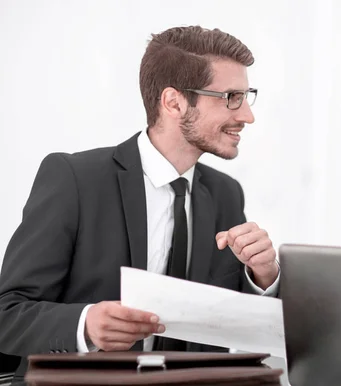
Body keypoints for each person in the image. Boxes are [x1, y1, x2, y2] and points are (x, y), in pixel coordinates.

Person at [0, 25, 280, 378]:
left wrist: (263, 275)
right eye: (230, 98)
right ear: (174, 102)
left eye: (246, 96)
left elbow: (235, 321)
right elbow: (7, 314)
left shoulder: (225, 193)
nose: (247, 115)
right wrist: (84, 324)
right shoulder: (74, 179)